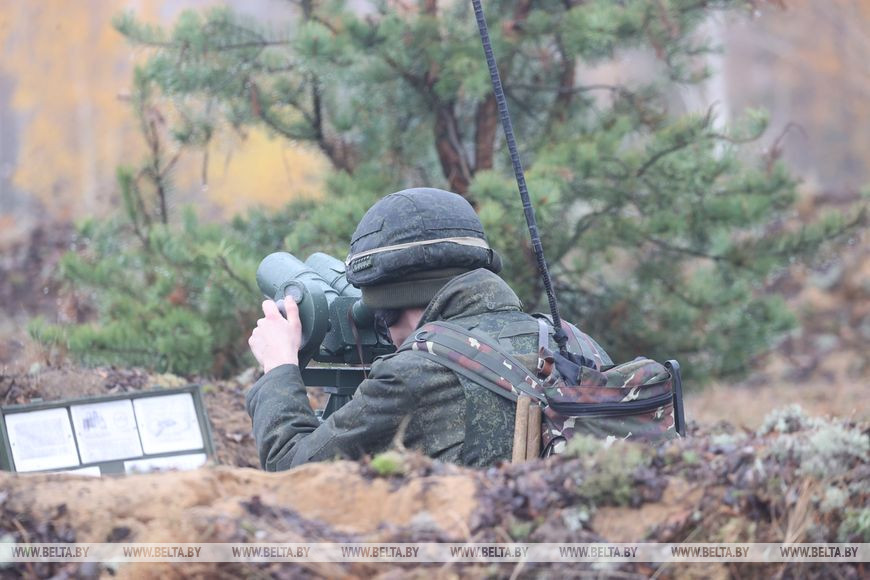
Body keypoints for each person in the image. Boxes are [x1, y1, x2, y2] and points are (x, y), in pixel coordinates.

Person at [245, 188, 583, 470]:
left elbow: (291, 469)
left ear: (386, 307)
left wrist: (279, 368)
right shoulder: (575, 345)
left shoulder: (413, 375)